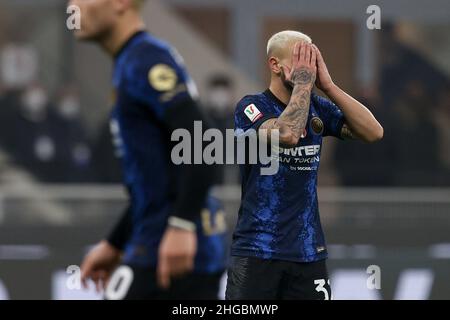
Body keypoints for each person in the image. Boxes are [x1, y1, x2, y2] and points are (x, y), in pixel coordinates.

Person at [69, 0, 226, 299]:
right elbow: (156, 182)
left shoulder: (146, 60)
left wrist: (182, 225)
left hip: (174, 252)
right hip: (158, 242)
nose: (72, 7)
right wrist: (115, 242)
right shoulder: (131, 60)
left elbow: (203, 143)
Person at [227, 30, 383, 300]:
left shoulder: (318, 108)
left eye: (311, 63)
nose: (307, 71)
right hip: (257, 251)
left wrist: (329, 86)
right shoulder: (251, 107)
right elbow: (286, 134)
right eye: (301, 62)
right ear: (274, 65)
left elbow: (373, 132)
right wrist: (302, 86)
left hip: (308, 252)